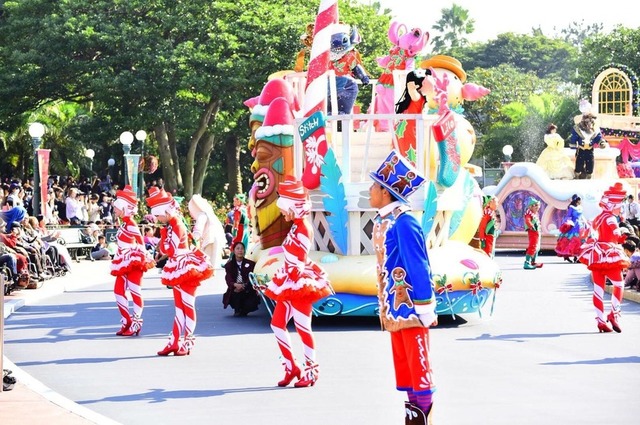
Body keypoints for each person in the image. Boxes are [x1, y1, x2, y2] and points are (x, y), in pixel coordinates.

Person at [368, 150, 437, 424]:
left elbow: (418, 265)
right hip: (395, 312)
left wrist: (425, 306)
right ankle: (413, 418)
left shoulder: (404, 221)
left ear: (386, 193)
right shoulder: (386, 220)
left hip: (411, 310)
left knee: (420, 372)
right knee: (407, 373)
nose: (370, 190)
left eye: (374, 186)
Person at [260, 176, 333, 388]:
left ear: (293, 207)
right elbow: (290, 257)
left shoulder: (303, 228)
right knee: (277, 324)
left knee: (303, 328)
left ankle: (311, 370)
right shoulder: (296, 226)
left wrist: (285, 283)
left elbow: (299, 261)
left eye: (284, 208)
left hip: (298, 283)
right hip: (290, 281)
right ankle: (291, 366)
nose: (282, 212)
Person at [146, 187, 213, 356]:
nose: (157, 219)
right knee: (179, 308)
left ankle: (188, 342)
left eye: (159, 215)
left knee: (187, 306)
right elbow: (165, 248)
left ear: (166, 212)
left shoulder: (177, 226)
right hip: (177, 266)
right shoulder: (170, 226)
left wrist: (163, 242)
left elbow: (168, 249)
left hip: (185, 266)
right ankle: (175, 342)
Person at [577, 182, 630, 333]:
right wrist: (621, 236)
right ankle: (614, 314)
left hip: (596, 253)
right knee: (619, 285)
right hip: (609, 253)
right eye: (619, 205)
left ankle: (601, 321)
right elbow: (616, 233)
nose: (621, 207)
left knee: (598, 289)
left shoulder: (599, 217)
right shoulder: (611, 218)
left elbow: (591, 230)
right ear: (613, 205)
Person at [110, 185, 155, 337]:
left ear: (123, 208)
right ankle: (126, 320)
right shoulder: (124, 223)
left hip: (133, 261)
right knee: (118, 291)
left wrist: (140, 257)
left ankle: (136, 322)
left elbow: (141, 242)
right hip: (123, 260)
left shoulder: (131, 224)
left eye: (116, 207)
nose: (115, 210)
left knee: (135, 292)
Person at [394, 69, 431, 165]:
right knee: (405, 158)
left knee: (409, 158)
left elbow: (413, 93)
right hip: (405, 133)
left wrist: (411, 88)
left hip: (408, 132)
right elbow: (412, 92)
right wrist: (411, 87)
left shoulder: (420, 99)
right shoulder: (414, 99)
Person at [188, 194, 226, 270]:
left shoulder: (202, 214)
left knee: (207, 263)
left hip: (210, 240)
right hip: (214, 239)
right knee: (213, 263)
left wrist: (194, 239)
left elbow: (198, 229)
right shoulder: (209, 214)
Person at [223, 241, 260, 316]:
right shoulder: (229, 265)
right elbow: (228, 278)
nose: (240, 250)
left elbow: (252, 278)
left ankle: (244, 309)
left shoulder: (251, 264)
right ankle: (237, 309)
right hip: (235, 288)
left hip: (247, 288)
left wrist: (244, 286)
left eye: (242, 249)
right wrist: (235, 284)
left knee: (250, 301)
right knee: (235, 293)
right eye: (238, 248)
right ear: (234, 251)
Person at [555, 194, 591, 263]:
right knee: (572, 240)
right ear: (577, 200)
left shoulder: (580, 207)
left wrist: (586, 223)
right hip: (573, 226)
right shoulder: (571, 207)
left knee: (579, 241)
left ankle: (576, 256)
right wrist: (566, 224)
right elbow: (568, 216)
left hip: (580, 225)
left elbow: (581, 216)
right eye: (579, 200)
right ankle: (571, 256)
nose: (580, 201)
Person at [570, 112, 603, 179]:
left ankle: (589, 174)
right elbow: (574, 137)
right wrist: (573, 144)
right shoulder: (578, 129)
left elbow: (598, 138)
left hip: (590, 149)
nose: (589, 124)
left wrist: (601, 143)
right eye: (587, 122)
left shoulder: (596, 129)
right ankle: (577, 174)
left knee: (590, 162)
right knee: (579, 162)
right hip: (581, 149)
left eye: (591, 122)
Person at [523, 198, 543, 269]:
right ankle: (527, 262)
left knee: (536, 247)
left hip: (537, 232)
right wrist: (531, 226)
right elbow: (527, 221)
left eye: (538, 205)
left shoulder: (535, 214)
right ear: (531, 207)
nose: (537, 207)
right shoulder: (529, 213)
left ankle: (533, 261)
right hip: (533, 232)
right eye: (535, 205)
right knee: (533, 246)